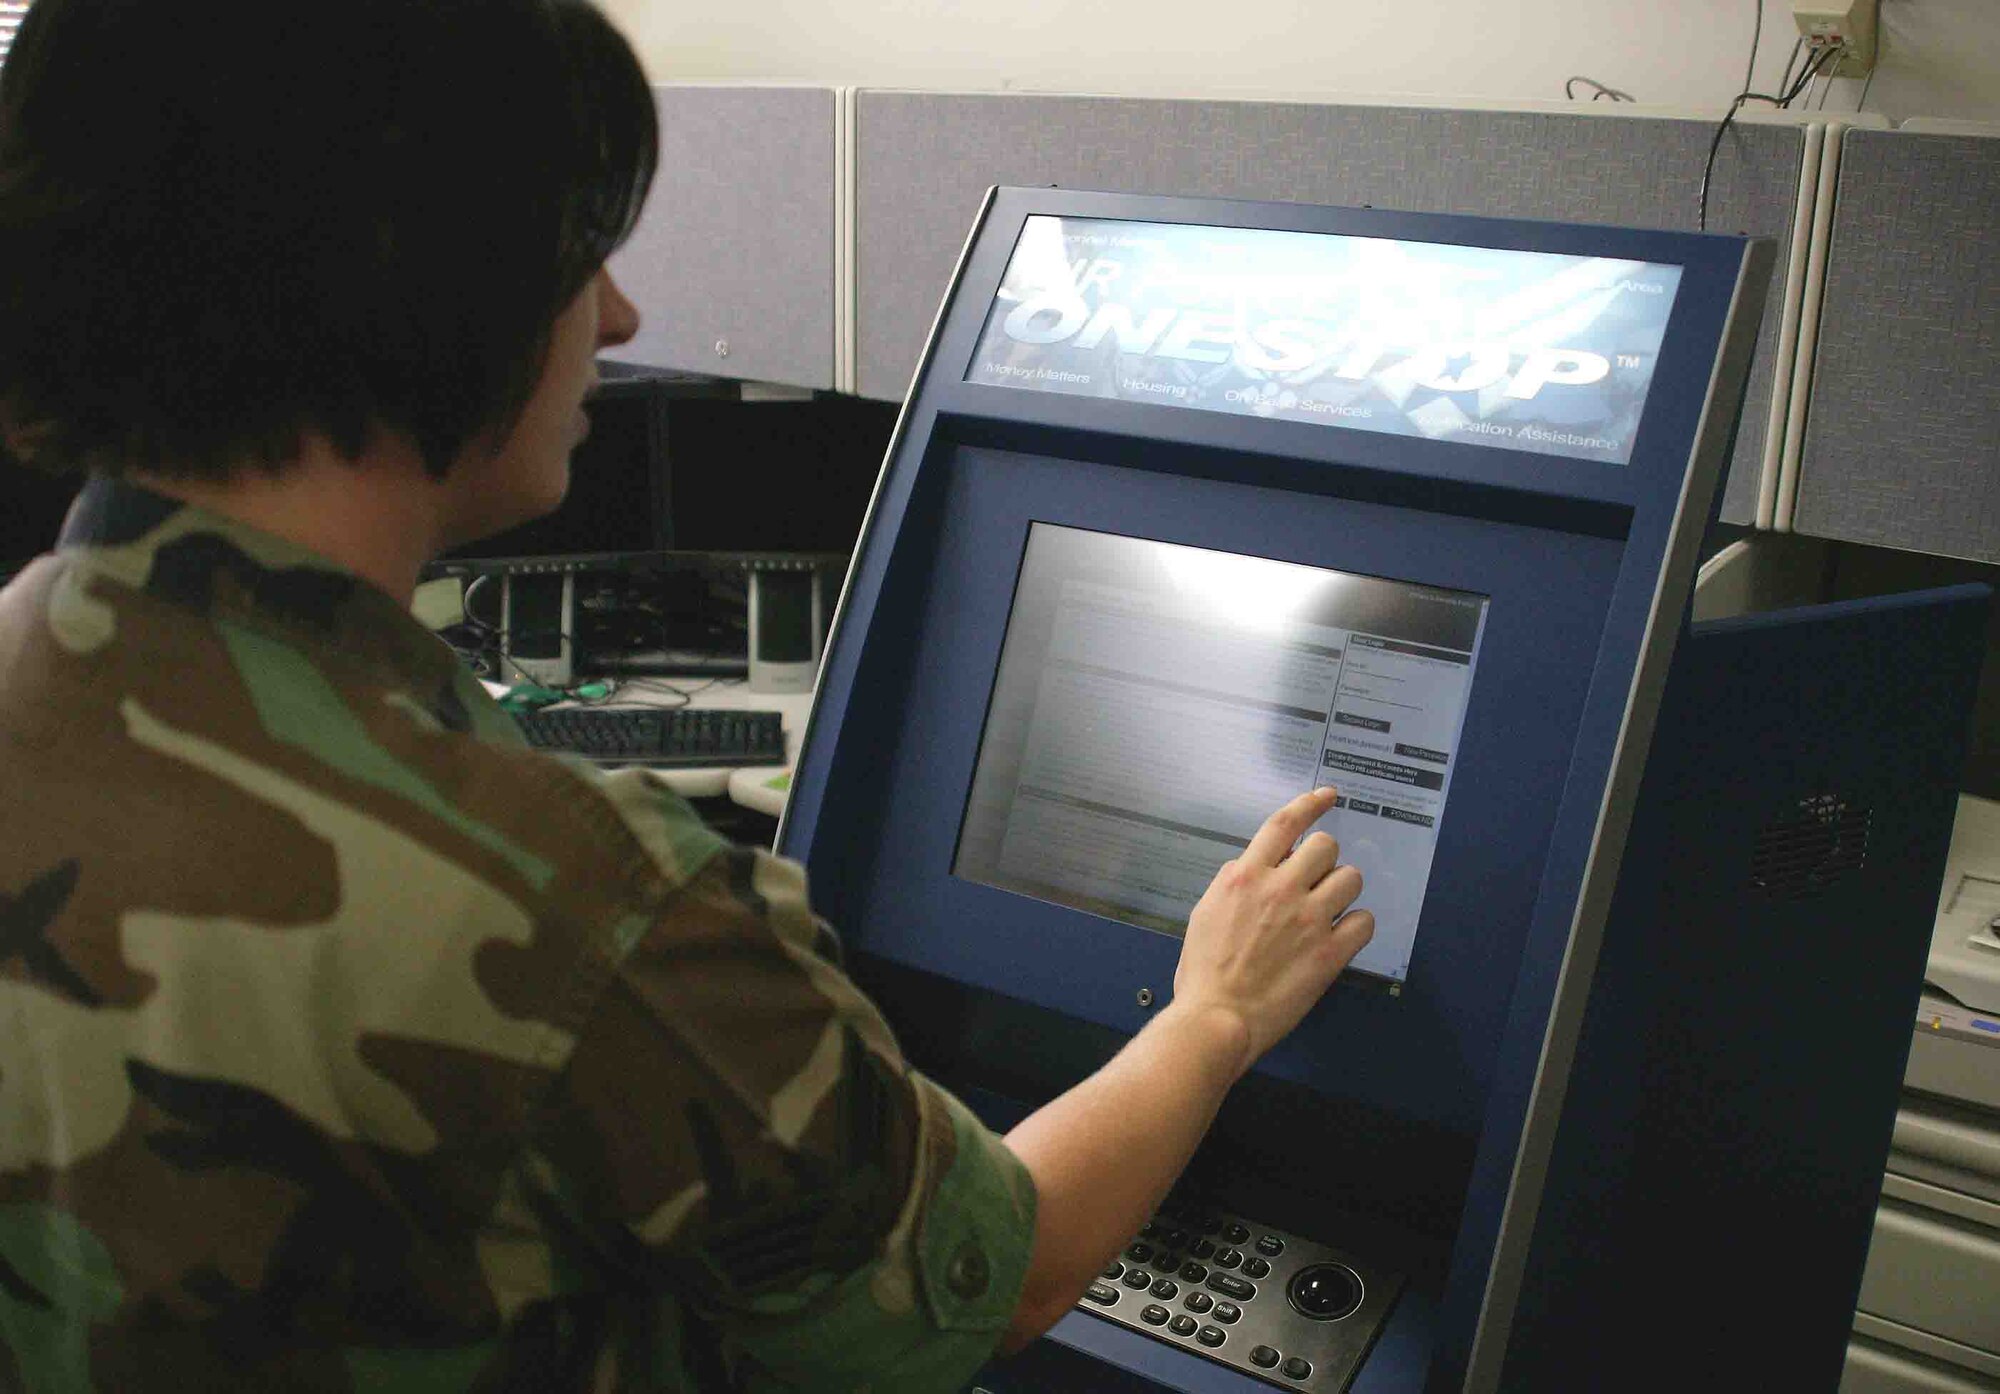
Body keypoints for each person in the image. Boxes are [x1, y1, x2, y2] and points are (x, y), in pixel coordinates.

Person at [0, 1, 1375, 1389]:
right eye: (578, 253)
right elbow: (1000, 1275)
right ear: (431, 287)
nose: (619, 313)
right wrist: (1214, 1012)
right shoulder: (581, 900)